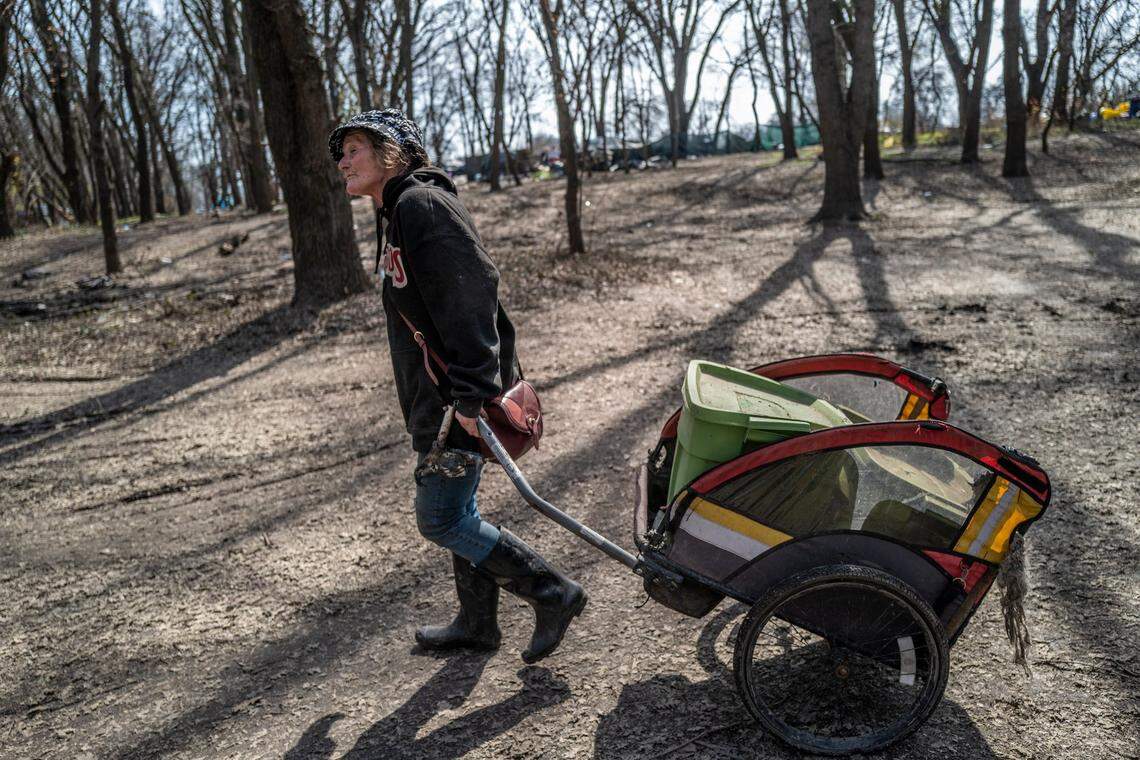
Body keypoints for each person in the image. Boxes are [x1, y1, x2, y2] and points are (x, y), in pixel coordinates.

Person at [328, 109, 586, 664]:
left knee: (441, 517)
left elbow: (473, 292)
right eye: (340, 152)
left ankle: (552, 592)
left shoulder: (420, 206)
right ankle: (476, 624)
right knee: (459, 510)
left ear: (391, 151)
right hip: (437, 397)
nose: (342, 161)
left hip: (456, 399)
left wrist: (471, 394)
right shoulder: (396, 211)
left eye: (353, 148)